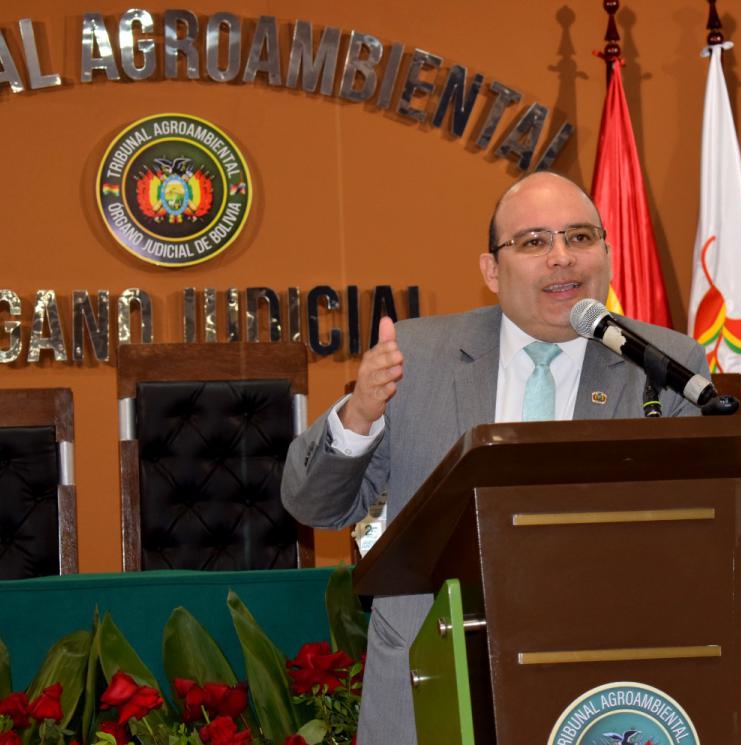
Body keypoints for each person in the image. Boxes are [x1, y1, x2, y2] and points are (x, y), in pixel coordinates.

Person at [281, 171, 707, 745]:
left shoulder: (662, 362)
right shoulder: (418, 356)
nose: (562, 257)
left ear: (606, 252)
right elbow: (315, 504)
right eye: (534, 242)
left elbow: (693, 534)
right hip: (433, 673)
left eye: (580, 237)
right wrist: (359, 415)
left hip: (598, 687)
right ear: (491, 270)